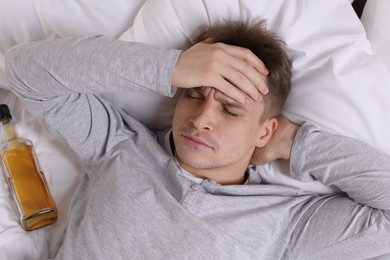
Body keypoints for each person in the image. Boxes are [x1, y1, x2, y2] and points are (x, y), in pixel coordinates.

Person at [4, 20, 390, 260]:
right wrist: (170, 67)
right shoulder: (119, 146)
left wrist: (294, 142)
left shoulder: (288, 224)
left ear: (264, 130)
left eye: (231, 110)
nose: (202, 119)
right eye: (194, 94)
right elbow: (22, 71)